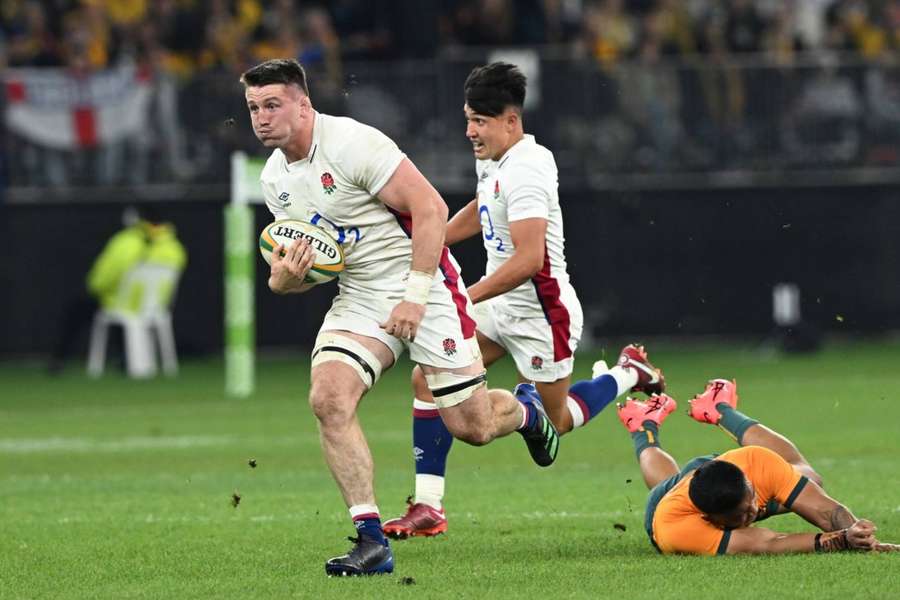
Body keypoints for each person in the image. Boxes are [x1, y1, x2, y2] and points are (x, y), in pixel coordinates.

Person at [241, 58, 564, 577]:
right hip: (361, 294)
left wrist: (415, 297)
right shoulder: (276, 179)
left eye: (273, 104)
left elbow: (431, 209)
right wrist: (284, 280)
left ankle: (525, 411)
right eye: (254, 107)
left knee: (473, 426)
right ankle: (371, 542)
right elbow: (315, 265)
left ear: (303, 104)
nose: (261, 117)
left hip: (427, 283)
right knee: (328, 398)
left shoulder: (351, 143)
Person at [383, 62, 665, 539]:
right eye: (468, 118)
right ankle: (429, 507)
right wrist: (434, 243)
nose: (470, 131)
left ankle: (627, 373)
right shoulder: (493, 159)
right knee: (426, 377)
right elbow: (484, 206)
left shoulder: (530, 168)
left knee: (557, 423)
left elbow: (531, 259)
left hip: (542, 314)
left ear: (512, 121)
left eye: (481, 122)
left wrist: (462, 299)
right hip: (500, 306)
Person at [617, 378, 899, 555]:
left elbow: (826, 509)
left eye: (750, 501)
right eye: (740, 514)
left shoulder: (753, 463)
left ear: (748, 483)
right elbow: (770, 542)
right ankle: (643, 427)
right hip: (663, 507)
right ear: (711, 519)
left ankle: (719, 409)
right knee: (665, 484)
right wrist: (841, 541)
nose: (753, 511)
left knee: (810, 477)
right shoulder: (680, 531)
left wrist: (858, 535)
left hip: (716, 473)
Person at [48, 207, 186, 373]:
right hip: (155, 307)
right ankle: (124, 357)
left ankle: (59, 358)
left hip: (121, 304)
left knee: (82, 308)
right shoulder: (175, 248)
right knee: (119, 315)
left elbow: (99, 281)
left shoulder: (125, 242)